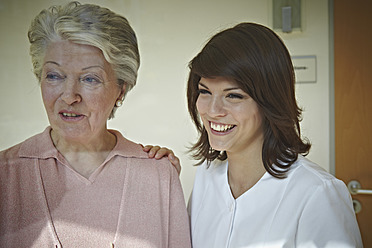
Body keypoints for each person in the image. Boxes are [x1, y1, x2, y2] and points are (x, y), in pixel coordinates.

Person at [149, 22, 363, 247]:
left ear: (270, 102)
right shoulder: (206, 176)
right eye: (205, 92)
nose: (212, 111)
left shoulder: (318, 194)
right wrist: (156, 178)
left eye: (233, 96)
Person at [0, 2, 191, 247]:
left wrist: (154, 172)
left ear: (120, 90)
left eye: (90, 79)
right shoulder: (6, 174)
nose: (69, 96)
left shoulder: (159, 174)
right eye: (55, 76)